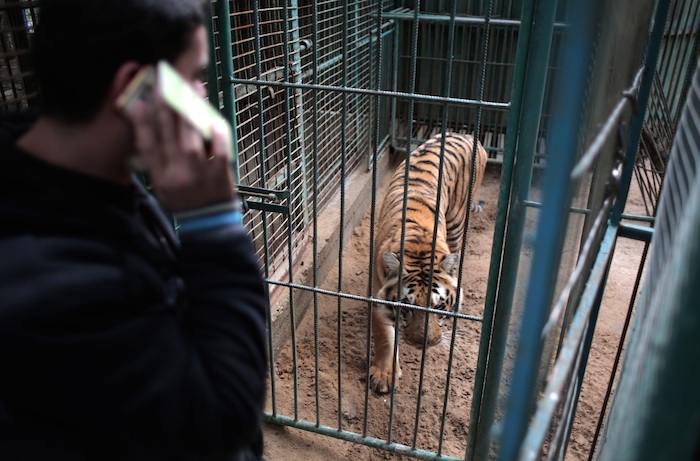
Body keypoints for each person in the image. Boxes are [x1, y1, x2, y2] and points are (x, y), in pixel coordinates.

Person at [0, 1, 269, 460]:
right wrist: (216, 221)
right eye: (192, 77)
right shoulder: (54, 285)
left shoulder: (73, 175)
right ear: (134, 91)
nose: (202, 93)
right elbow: (221, 424)